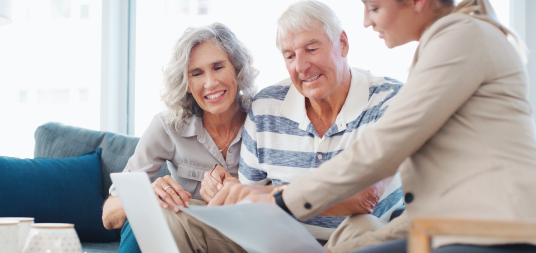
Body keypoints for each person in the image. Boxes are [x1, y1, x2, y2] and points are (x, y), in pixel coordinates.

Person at [233, 0, 536, 252]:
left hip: (495, 231)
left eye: (374, 7)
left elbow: (383, 147)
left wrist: (282, 200)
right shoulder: (451, 40)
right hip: (458, 226)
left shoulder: (461, 39)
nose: (366, 20)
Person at [203, 0, 405, 247]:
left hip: (358, 241)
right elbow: (249, 198)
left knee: (364, 226)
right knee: (175, 214)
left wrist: (271, 197)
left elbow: (365, 197)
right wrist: (224, 190)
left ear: (342, 44)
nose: (301, 67)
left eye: (311, 49)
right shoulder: (266, 106)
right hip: (281, 242)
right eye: (290, 56)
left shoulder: (390, 100)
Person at [101, 22, 258, 253]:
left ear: (237, 68)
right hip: (189, 242)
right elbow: (109, 217)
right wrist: (147, 196)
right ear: (186, 84)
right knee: (144, 215)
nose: (210, 83)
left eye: (218, 67)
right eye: (197, 73)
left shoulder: (263, 120)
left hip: (249, 240)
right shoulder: (168, 127)